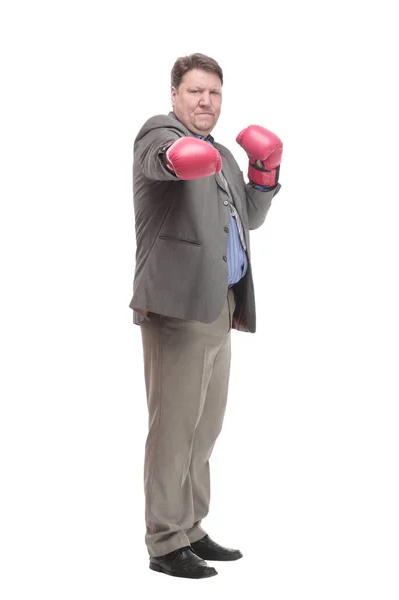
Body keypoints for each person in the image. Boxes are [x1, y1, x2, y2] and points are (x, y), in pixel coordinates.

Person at [129, 53, 283, 579]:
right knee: (172, 428)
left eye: (214, 94)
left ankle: (191, 527)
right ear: (174, 95)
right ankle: (164, 541)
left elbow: (250, 219)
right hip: (177, 307)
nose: (205, 102)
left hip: (221, 306)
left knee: (204, 426)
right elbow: (162, 159)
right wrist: (180, 154)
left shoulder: (223, 156)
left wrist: (264, 175)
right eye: (195, 91)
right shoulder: (157, 133)